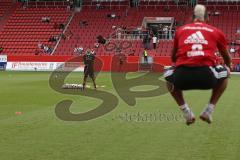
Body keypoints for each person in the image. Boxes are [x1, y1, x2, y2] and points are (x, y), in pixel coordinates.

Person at [164, 4, 232, 125]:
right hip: (207, 78)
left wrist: (180, 61)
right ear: (207, 17)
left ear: (192, 17)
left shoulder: (180, 30)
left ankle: (186, 111)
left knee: (168, 75)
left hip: (182, 78)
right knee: (225, 73)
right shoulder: (216, 31)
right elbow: (226, 57)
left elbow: (173, 57)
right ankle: (209, 110)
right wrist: (228, 65)